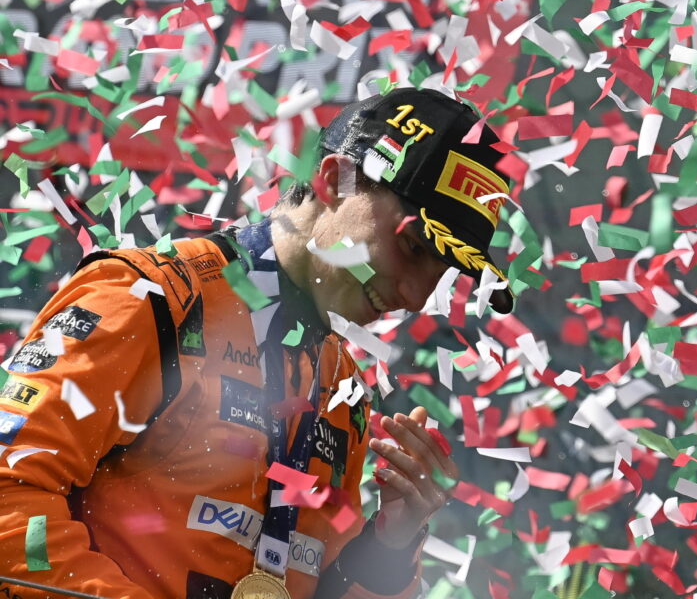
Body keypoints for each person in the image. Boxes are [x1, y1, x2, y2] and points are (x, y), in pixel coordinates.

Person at [0, 86, 514, 599]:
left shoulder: (341, 390)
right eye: (412, 247)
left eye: (442, 269)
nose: (416, 295)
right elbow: (8, 496)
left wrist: (390, 546)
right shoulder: (153, 301)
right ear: (336, 180)